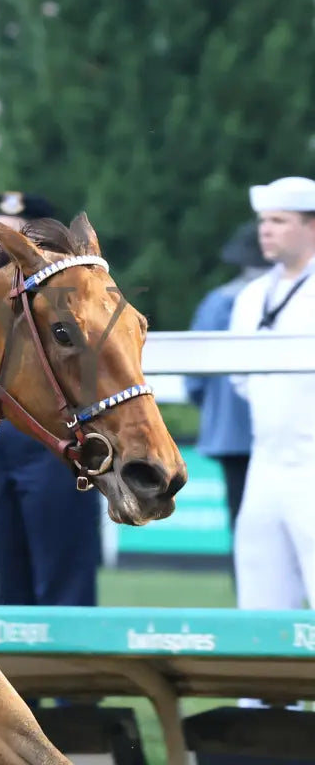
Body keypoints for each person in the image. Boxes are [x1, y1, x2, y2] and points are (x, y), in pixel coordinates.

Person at [0, 191, 102, 608]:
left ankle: (73, 671)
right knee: (0, 574)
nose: (4, 242)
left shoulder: (69, 299)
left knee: (63, 572)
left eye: (18, 234)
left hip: (57, 440)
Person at [230, 176, 315, 611]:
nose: (266, 230)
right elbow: (240, 379)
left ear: (311, 227)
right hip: (266, 464)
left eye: (280, 221)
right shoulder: (251, 296)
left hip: (311, 463)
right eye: (264, 221)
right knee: (260, 601)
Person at [185, 221, 269, 552]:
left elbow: (195, 379)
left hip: (231, 434)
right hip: (289, 436)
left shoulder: (216, 302)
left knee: (244, 525)